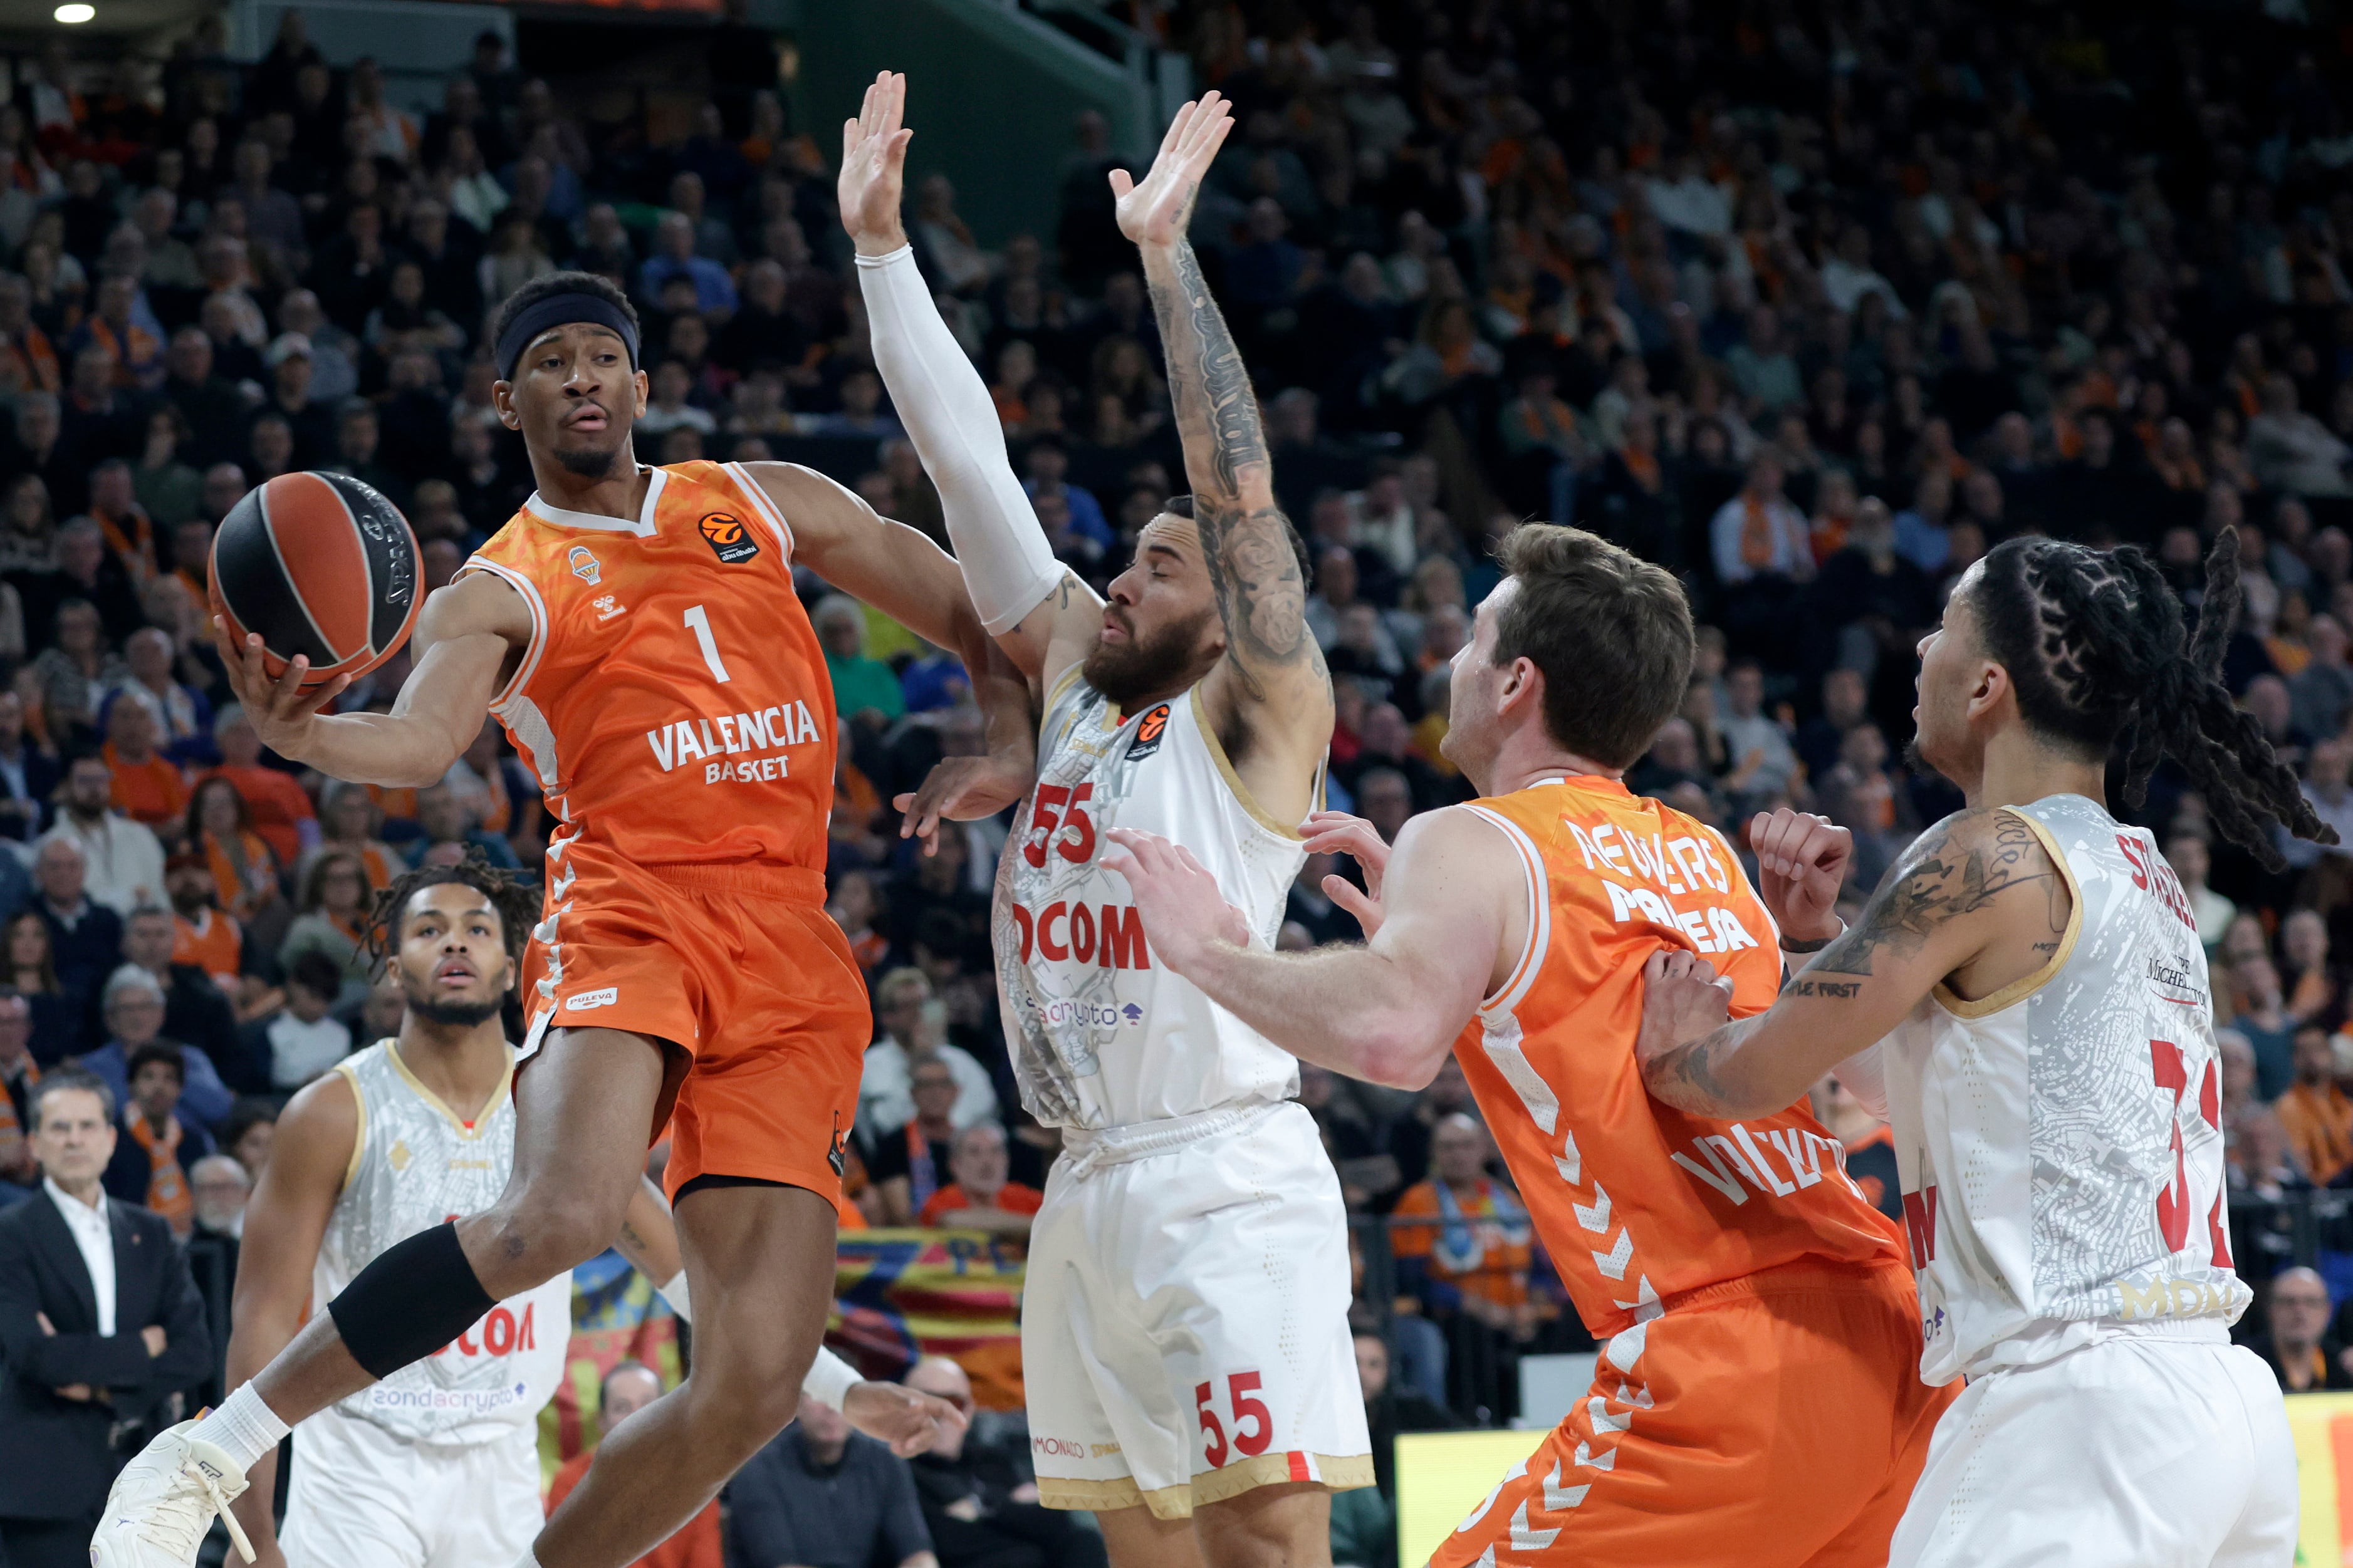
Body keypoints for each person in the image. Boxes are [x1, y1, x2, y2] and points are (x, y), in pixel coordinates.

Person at [96, 251, 1024, 1567]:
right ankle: (208, 1447)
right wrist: (305, 740)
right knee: (565, 1212)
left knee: (756, 1380)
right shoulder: (499, 585)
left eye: (599, 356)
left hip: (790, 934)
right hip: (632, 906)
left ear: (640, 383)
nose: (580, 377)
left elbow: (981, 605)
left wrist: (1006, 734)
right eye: (548, 363)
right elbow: (421, 741)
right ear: (505, 401)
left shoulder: (760, 497)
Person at [1105, 521, 1947, 1565]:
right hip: (1888, 1334)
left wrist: (1209, 949)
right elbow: (1635, 1016)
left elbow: (1391, 1038)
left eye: (1472, 641)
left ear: (1515, 684)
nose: (1453, 663)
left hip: (1727, 1354)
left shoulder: (1471, 836)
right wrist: (1435, 944)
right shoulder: (1700, 850)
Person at [851, 78, 1369, 1554]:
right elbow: (968, 465)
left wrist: (1164, 259)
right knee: (1138, 1548)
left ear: (1231, 615)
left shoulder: (1259, 713)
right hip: (1081, 1178)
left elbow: (1238, 497)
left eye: (1159, 566)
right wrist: (880, 248)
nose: (1121, 578)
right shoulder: (1082, 677)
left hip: (1222, 1175)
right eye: (1127, 559)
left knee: (1264, 1544)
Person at [1632, 529, 2312, 1564]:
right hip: (2219, 1407)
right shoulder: (2141, 871)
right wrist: (1815, 940)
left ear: (1989, 684)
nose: (1919, 649)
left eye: (1942, 627)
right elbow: (1931, 1093)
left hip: (2078, 1405)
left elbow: (1752, 1072)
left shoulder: (1984, 852)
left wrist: (1673, 1053)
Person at [0, 1072, 212, 1568]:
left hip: (149, 1477)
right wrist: (144, 1345)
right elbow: (37, 1355)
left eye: (87, 1125)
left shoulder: (152, 1231)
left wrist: (100, 1389)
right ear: (35, 1143)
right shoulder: (10, 1234)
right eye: (59, 1127)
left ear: (111, 1139)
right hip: (45, 1484)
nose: (74, 1139)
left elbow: (194, 1352)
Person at [903, 1355, 1107, 1568]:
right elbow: (942, 1540)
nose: (942, 1417)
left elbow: (1053, 1520)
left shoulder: (989, 1460)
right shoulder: (900, 1470)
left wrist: (981, 1508)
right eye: (927, 1405)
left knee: (1085, 1541)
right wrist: (1010, 1507)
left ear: (970, 1410)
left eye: (954, 1404)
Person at [726, 1391, 938, 1568]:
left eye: (843, 1396)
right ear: (796, 1405)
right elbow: (780, 1564)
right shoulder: (759, 1469)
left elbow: (917, 1552)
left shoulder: (886, 1461)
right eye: (820, 1396)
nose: (832, 1408)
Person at [545, 1363, 720, 1568]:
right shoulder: (570, 1484)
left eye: (648, 1404)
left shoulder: (695, 1484)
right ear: (602, 1422)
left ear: (670, 1415)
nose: (638, 1417)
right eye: (622, 1408)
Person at [100, 1042, 209, 1237]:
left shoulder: (194, 1142)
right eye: (148, 1077)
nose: (159, 1087)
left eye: (169, 1078)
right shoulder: (109, 1139)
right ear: (131, 1086)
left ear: (180, 1089)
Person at [40, 753, 166, 917]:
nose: (94, 788)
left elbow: (161, 893)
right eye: (84, 781)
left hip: (144, 928)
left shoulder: (139, 834)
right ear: (65, 787)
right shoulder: (52, 843)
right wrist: (126, 898)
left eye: (101, 779)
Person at [917, 1121, 1043, 1238]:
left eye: (995, 1151)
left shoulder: (1023, 1197)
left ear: (1007, 1161)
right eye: (975, 1152)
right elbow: (953, 1222)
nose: (987, 1162)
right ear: (955, 1165)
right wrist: (1036, 1225)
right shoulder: (940, 1200)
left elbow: (1055, 1219)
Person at [2248, 1266, 2353, 1392]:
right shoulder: (2247, 1363)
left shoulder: (2344, 1366)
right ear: (2271, 1310)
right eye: (2289, 1302)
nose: (2300, 1311)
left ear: (2328, 1312)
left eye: (2311, 1302)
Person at [2277, 1019, 2353, 1186]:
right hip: (2319, 1190)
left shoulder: (2344, 1102)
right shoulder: (2289, 1107)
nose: (2312, 1057)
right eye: (2304, 1050)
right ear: (2294, 1058)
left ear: (2330, 1053)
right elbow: (2300, 1166)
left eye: (2317, 1048)